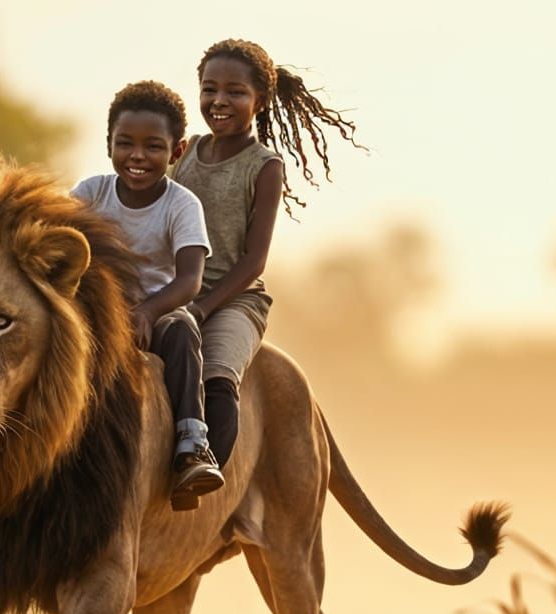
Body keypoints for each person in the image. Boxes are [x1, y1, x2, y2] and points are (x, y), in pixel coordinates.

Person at [171, 38, 364, 468]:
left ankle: (203, 468)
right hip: (178, 290)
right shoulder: (184, 153)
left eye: (235, 92)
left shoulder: (264, 166)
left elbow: (254, 261)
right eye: (209, 89)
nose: (219, 101)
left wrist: (201, 308)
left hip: (233, 300)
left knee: (217, 374)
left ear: (259, 101)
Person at [72, 80, 224, 510]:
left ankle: (191, 444)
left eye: (153, 146)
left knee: (183, 331)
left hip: (158, 310)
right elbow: (57, 245)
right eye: (125, 143)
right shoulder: (90, 194)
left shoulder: (182, 205)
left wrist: (148, 311)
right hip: (97, 310)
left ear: (176, 152)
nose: (137, 156)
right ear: (109, 143)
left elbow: (190, 279)